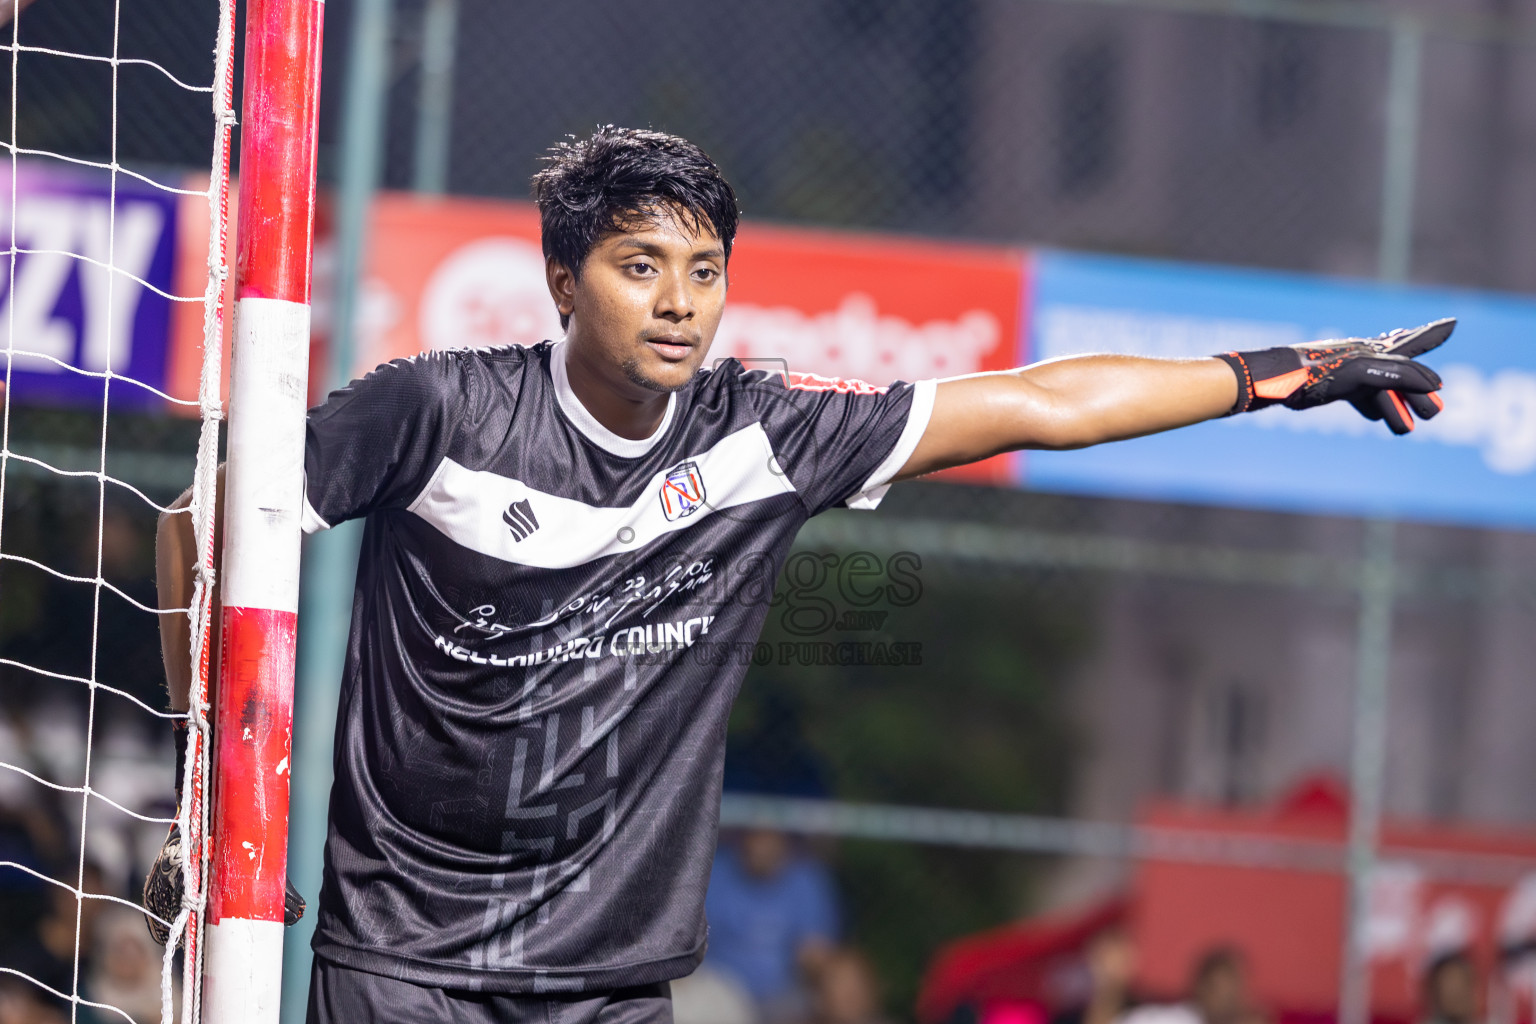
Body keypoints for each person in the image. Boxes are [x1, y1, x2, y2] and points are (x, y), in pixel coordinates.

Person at [144, 126, 1451, 1023]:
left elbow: (1042, 404)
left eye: (705, 272)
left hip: (609, 978)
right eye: (640, 265)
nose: (678, 302)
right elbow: (195, 524)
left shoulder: (764, 434)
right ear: (560, 278)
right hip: (400, 965)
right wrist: (206, 805)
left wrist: (1275, 374)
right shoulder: (431, 412)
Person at [703, 829, 839, 1019]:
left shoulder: (806, 878)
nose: (760, 845)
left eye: (769, 835)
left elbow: (816, 954)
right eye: (754, 834)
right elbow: (695, 945)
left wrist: (815, 967)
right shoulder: (716, 871)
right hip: (719, 994)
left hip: (784, 997)